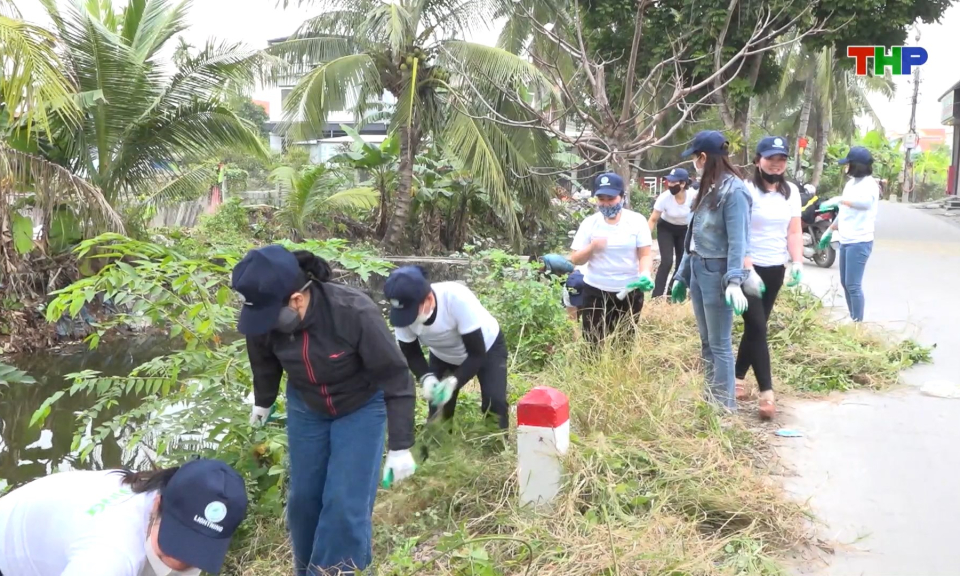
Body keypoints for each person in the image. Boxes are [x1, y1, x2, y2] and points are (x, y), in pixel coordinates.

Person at [232, 245, 416, 575]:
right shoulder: (265, 316)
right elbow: (263, 360)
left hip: (360, 406)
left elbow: (395, 375)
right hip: (307, 405)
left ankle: (339, 571)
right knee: (303, 502)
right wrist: (263, 400)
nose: (264, 326)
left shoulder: (353, 312)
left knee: (344, 503)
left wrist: (400, 445)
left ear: (296, 300)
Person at [0, 458, 248, 576]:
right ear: (158, 504)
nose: (181, 560)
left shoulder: (156, 488)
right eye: (174, 544)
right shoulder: (108, 556)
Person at [671, 131, 752, 410]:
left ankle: (725, 408)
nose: (694, 163)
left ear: (703, 157)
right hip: (697, 267)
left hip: (717, 271)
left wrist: (734, 280)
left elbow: (738, 241)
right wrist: (682, 275)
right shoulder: (706, 188)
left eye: (695, 157)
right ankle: (710, 400)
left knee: (720, 344)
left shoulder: (734, 191)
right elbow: (692, 237)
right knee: (706, 342)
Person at [384, 266, 509, 430]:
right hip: (443, 355)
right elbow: (411, 353)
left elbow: (476, 355)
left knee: (495, 403)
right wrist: (426, 377)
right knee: (439, 413)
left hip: (486, 348)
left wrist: (453, 381)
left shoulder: (456, 299)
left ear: (429, 298)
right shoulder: (402, 317)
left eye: (413, 312)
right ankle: (441, 442)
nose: (409, 319)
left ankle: (497, 441)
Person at [735, 136, 804, 419]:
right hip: (748, 268)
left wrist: (797, 261)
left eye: (781, 159)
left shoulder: (791, 192)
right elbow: (738, 231)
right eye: (770, 159)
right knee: (758, 328)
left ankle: (737, 378)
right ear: (757, 160)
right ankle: (767, 393)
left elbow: (794, 231)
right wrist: (747, 267)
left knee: (756, 327)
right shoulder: (745, 189)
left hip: (775, 268)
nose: (776, 164)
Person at [569, 172, 655, 342]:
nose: (606, 203)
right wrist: (592, 247)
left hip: (629, 290)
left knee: (624, 342)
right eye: (601, 199)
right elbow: (576, 259)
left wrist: (645, 274)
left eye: (611, 198)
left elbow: (645, 254)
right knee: (593, 342)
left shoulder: (637, 221)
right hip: (596, 291)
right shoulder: (590, 223)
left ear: (622, 197)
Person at [817, 146, 880, 322]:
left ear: (857, 166)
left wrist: (840, 200)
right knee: (846, 283)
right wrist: (830, 230)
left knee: (853, 285)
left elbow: (865, 204)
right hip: (846, 239)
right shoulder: (851, 184)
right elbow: (845, 212)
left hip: (859, 241)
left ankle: (858, 323)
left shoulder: (869, 185)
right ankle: (854, 318)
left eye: (849, 164)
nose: (846, 167)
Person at [648, 167, 697, 298]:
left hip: (684, 230)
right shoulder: (664, 198)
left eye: (673, 182)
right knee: (667, 261)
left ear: (683, 184)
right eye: (669, 181)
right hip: (666, 228)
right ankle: (656, 297)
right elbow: (653, 219)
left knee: (681, 263)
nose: (670, 184)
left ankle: (671, 296)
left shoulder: (693, 196)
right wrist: (645, 240)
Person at [542, 253, 581, 321]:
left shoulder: (555, 262)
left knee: (570, 300)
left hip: (570, 278)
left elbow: (571, 271)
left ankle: (574, 317)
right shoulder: (545, 266)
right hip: (560, 279)